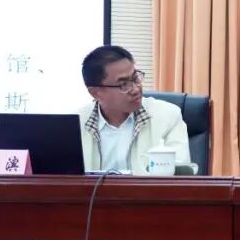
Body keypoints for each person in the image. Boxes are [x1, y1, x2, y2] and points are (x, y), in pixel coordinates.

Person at [78, 45, 190, 173]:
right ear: (96, 93)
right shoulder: (75, 124)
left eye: (136, 78)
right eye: (123, 84)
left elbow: (180, 177)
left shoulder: (168, 116)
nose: (136, 89)